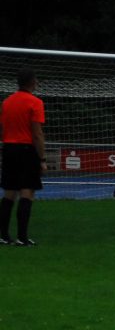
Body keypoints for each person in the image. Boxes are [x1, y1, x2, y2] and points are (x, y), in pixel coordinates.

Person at [0, 68, 47, 246]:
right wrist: (42, 159)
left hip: (9, 148)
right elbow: (37, 134)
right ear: (32, 82)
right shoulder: (35, 103)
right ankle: (22, 237)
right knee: (27, 192)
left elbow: (3, 129)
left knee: (9, 192)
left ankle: (3, 235)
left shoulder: (7, 102)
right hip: (26, 149)